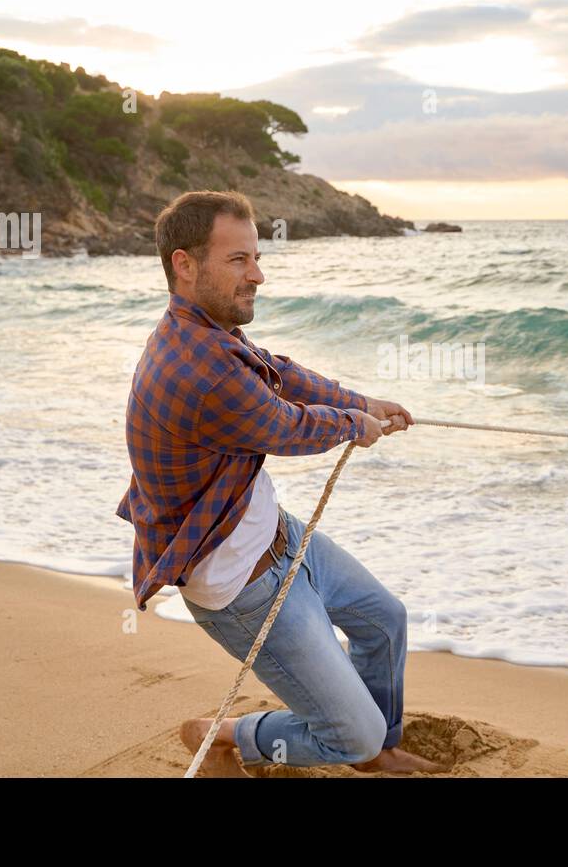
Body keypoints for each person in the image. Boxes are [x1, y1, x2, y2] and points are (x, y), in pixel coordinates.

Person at [117, 190, 446, 776]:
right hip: (241, 585)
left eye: (256, 257)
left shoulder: (207, 330)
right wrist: (356, 424)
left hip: (277, 536)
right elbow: (284, 426)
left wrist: (363, 401)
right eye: (238, 261)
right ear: (184, 265)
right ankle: (229, 736)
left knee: (384, 622)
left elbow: (282, 373)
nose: (258, 276)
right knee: (350, 736)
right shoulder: (199, 369)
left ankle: (376, 748)